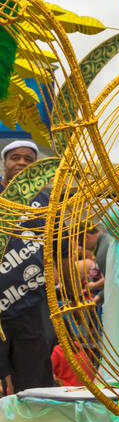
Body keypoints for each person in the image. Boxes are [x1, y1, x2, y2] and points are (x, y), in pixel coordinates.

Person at [0, 140, 55, 395]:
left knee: (35, 384)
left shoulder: (47, 203)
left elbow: (60, 250)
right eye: (15, 158)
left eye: (28, 159)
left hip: (32, 305)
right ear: (4, 163)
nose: (21, 163)